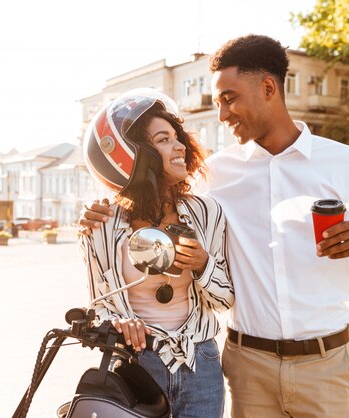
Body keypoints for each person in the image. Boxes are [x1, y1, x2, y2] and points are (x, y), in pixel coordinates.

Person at [80, 35, 349, 418]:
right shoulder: (215, 175)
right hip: (248, 367)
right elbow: (151, 193)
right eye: (217, 103)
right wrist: (99, 211)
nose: (222, 115)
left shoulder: (343, 162)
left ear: (268, 88)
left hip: (325, 365)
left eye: (229, 99)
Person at [80, 88, 234, 418]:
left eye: (178, 137)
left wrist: (202, 264)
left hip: (201, 363)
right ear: (135, 153)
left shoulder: (207, 212)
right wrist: (120, 321)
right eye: (164, 140)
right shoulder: (101, 225)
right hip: (137, 365)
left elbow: (225, 300)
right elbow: (99, 306)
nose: (180, 145)